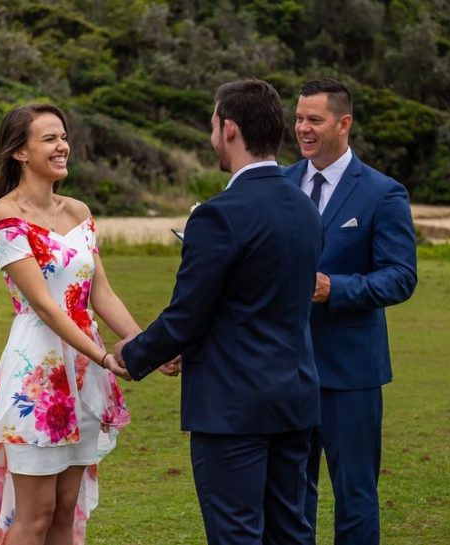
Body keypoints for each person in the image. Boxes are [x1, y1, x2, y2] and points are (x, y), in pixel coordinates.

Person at [113, 79, 323, 545]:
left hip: (232, 409)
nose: (212, 137)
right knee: (291, 533)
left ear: (229, 129)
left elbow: (187, 314)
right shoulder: (305, 207)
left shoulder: (218, 215)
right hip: (295, 400)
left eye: (213, 126)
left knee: (236, 535)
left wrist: (135, 353)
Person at [0, 103, 136, 545]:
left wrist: (145, 343)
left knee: (64, 512)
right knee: (34, 517)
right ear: (20, 151)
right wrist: (106, 357)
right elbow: (45, 306)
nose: (62, 146)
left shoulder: (78, 211)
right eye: (50, 138)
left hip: (84, 372)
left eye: (64, 137)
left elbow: (101, 293)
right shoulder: (6, 215)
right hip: (39, 371)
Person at [282, 78, 418, 545]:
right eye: (299, 118)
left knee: (356, 497)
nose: (303, 128)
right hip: (285, 369)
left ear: (344, 124)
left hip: (351, 374)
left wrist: (334, 289)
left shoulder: (383, 192)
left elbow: (400, 276)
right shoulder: (281, 183)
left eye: (314, 120)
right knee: (290, 498)